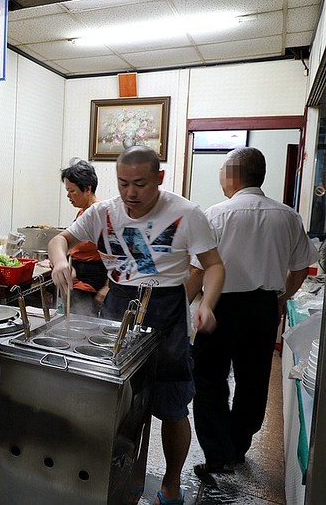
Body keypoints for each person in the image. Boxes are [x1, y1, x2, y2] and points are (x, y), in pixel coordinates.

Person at [49, 146, 224, 505]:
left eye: (140, 184)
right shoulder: (103, 213)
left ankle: (171, 485)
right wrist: (59, 261)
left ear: (159, 178)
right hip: (119, 306)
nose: (130, 193)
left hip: (167, 312)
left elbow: (214, 264)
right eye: (123, 183)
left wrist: (207, 303)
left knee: (172, 407)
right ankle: (111, 480)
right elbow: (60, 240)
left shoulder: (187, 214)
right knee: (115, 403)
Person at [187, 147, 317, 477]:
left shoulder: (215, 215)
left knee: (208, 377)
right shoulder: (287, 216)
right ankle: (238, 447)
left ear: (232, 176)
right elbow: (301, 268)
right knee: (254, 381)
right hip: (263, 308)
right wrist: (282, 298)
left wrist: (180, 309)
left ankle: (218, 454)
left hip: (221, 307)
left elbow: (198, 270)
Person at [61, 159, 107, 316]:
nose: (68, 196)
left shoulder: (99, 214)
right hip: (77, 278)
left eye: (72, 191)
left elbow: (117, 258)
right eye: (67, 191)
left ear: (88, 189)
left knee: (82, 324)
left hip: (91, 281)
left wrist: (107, 287)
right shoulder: (82, 211)